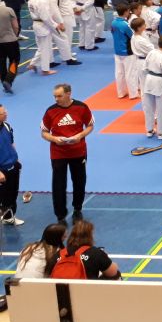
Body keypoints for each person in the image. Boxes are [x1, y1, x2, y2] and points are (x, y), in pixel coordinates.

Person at [41, 83, 93, 225]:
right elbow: (44, 132)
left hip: (78, 151)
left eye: (59, 96)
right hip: (58, 153)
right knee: (58, 184)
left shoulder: (82, 107)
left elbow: (90, 126)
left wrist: (80, 135)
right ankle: (60, 216)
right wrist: (54, 139)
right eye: (55, 96)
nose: (56, 99)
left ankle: (77, 209)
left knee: (79, 181)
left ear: (68, 94)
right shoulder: (50, 111)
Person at [50, 220, 120, 280]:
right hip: (86, 290)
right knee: (117, 275)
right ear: (90, 236)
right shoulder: (96, 253)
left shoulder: (58, 254)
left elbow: (48, 274)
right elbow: (113, 272)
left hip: (61, 290)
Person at [0, 105, 23, 225]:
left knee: (13, 194)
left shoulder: (7, 126)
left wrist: (16, 159)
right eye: (3, 113)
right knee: (3, 197)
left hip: (13, 165)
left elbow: (11, 143)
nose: (6, 114)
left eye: (5, 111)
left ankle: (9, 218)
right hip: (1, 170)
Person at [0, 0, 19, 93]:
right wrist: (15, 35)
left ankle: (4, 81)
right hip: (10, 40)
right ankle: (8, 80)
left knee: (1, 62)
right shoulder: (8, 10)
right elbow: (15, 26)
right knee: (14, 60)